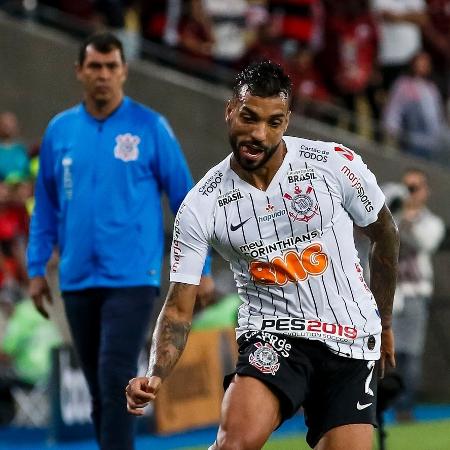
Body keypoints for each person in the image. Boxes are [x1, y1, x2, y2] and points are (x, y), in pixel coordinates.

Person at [126, 60, 400, 449]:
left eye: (273, 123)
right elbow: (178, 306)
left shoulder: (334, 164)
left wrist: (384, 320)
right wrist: (156, 373)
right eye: (249, 117)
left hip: (350, 338)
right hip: (274, 337)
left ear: (287, 122)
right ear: (229, 111)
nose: (258, 134)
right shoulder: (202, 205)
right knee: (233, 445)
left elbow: (385, 236)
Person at [26, 32, 213, 450]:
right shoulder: (60, 131)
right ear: (79, 71)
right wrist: (37, 269)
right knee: (99, 390)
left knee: (114, 375)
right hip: (76, 279)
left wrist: (202, 269)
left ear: (125, 71)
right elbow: (45, 208)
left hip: (132, 276)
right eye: (95, 66)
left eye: (112, 67)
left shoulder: (150, 127)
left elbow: (187, 200)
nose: (103, 75)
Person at [391, 168, 445, 421]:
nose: (409, 193)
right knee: (383, 352)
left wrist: (403, 217)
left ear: (425, 191)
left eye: (414, 188)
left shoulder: (431, 222)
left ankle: (405, 408)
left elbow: (425, 243)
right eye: (406, 187)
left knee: (408, 354)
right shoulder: (391, 214)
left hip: (414, 293)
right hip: (388, 291)